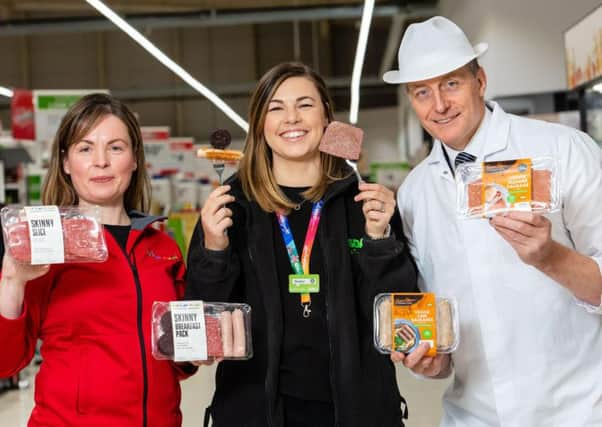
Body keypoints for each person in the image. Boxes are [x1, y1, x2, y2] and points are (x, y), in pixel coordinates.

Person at [384, 16, 602, 427]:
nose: (439, 105)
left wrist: (549, 256)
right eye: (422, 92)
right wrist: (431, 361)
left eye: (451, 83)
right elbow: (439, 321)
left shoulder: (563, 151)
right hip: (472, 417)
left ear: (480, 81)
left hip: (578, 412)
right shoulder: (414, 193)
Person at [185, 62, 417, 427]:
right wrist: (214, 250)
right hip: (256, 412)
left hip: (358, 411)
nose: (291, 118)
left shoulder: (364, 202)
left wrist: (379, 242)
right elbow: (201, 324)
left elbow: (398, 315)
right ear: (260, 123)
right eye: (276, 108)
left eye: (305, 105)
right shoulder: (232, 206)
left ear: (326, 115)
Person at [0, 93, 196, 426]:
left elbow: (180, 362)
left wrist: (202, 343)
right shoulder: (47, 246)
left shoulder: (163, 247)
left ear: (134, 159)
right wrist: (13, 279)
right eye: (85, 148)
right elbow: (6, 362)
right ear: (65, 162)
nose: (101, 161)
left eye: (116, 147)